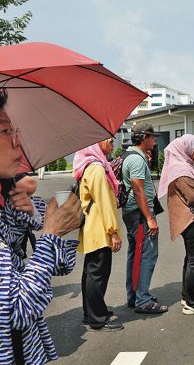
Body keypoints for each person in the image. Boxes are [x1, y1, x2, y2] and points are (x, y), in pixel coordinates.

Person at [0, 88, 82, 363]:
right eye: (5, 131)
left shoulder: (7, 200)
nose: (18, 141)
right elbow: (19, 310)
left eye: (15, 131)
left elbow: (62, 265)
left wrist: (35, 215)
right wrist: (50, 234)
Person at [158, 134, 194, 315]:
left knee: (191, 259)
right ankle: (193, 304)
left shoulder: (181, 166)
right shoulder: (181, 170)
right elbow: (193, 197)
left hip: (187, 220)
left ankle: (189, 296)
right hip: (191, 221)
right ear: (186, 149)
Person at [73, 139, 123, 331]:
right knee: (97, 275)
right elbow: (104, 202)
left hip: (93, 228)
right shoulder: (96, 168)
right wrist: (113, 232)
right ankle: (97, 318)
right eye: (107, 139)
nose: (112, 141)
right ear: (95, 144)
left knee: (92, 273)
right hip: (100, 230)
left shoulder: (90, 166)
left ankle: (92, 313)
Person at [122, 123, 167, 314]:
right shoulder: (137, 160)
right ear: (144, 138)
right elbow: (138, 190)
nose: (155, 141)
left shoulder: (131, 155)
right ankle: (143, 300)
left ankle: (135, 295)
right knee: (147, 255)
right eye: (152, 137)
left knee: (136, 255)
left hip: (133, 213)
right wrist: (150, 218)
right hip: (140, 215)